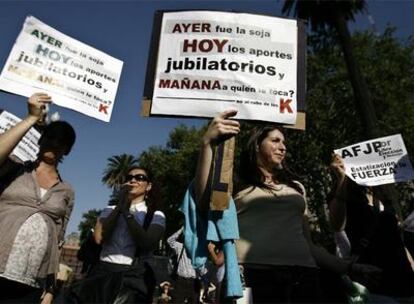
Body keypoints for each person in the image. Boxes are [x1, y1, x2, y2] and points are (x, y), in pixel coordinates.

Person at [194, 110, 380, 303]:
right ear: (257, 145)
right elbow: (204, 201)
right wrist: (207, 143)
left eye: (284, 142)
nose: (283, 147)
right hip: (251, 276)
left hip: (303, 280)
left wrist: (348, 267)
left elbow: (309, 245)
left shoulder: (296, 188)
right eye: (275, 141)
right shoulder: (236, 182)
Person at [0, 93, 76, 304]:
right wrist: (31, 118)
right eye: (51, 136)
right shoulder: (14, 168)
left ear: (67, 150)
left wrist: (50, 290)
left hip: (30, 285)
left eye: (62, 141)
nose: (55, 143)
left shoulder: (67, 191)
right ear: (41, 139)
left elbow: (58, 240)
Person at [68, 167, 165, 303]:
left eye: (139, 178)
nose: (133, 180)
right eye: (129, 177)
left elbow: (147, 243)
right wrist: (120, 207)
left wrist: (127, 212)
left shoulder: (155, 215)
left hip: (131, 277)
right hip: (101, 273)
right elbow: (99, 238)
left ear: (148, 186)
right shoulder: (109, 210)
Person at [329, 154, 414, 298]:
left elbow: (395, 237)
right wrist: (342, 179)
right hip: (373, 278)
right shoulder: (344, 198)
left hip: (403, 276)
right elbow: (337, 225)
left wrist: (411, 262)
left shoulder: (382, 199)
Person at [167, 227, 201, 303]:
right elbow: (170, 240)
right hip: (181, 281)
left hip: (194, 281)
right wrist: (182, 229)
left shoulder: (198, 249)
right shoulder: (180, 246)